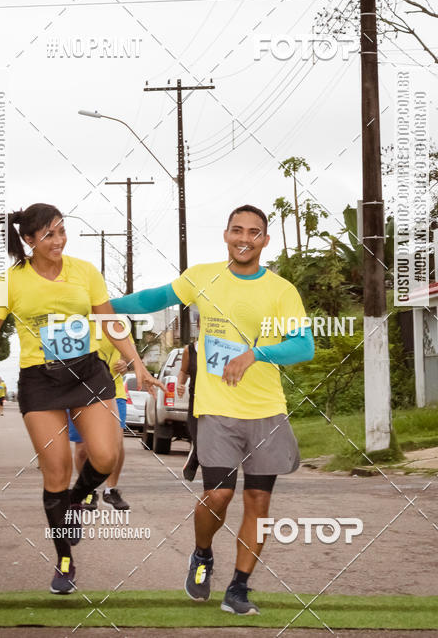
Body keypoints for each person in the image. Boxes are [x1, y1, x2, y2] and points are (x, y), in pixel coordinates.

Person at [112, 204, 314, 615]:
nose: (245, 238)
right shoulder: (203, 277)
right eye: (237, 230)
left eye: (254, 232)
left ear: (265, 240)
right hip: (216, 409)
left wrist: (255, 354)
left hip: (266, 410)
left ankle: (238, 587)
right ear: (226, 235)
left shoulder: (281, 290)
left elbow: (303, 346)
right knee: (218, 496)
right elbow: (158, 296)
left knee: (258, 502)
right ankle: (202, 553)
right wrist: (107, 304)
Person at [0, 203, 163, 595]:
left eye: (61, 231)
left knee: (105, 456)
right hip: (41, 381)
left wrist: (135, 361)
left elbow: (108, 320)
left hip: (88, 372)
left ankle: (78, 498)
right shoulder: (10, 281)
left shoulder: (85, 272)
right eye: (49, 234)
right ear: (28, 240)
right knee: (54, 470)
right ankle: (64, 559)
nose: (59, 240)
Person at [68, 330, 132, 512]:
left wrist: (126, 363)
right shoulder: (73, 319)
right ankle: (89, 492)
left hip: (113, 392)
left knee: (117, 444)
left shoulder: (117, 323)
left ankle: (110, 490)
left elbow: (130, 355)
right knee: (82, 450)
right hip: (79, 392)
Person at [177, 340, 199, 481]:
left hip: (218, 399)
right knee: (198, 436)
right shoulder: (189, 350)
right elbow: (183, 371)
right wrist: (180, 383)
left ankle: (196, 456)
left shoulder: (222, 347)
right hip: (196, 400)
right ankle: (195, 456)